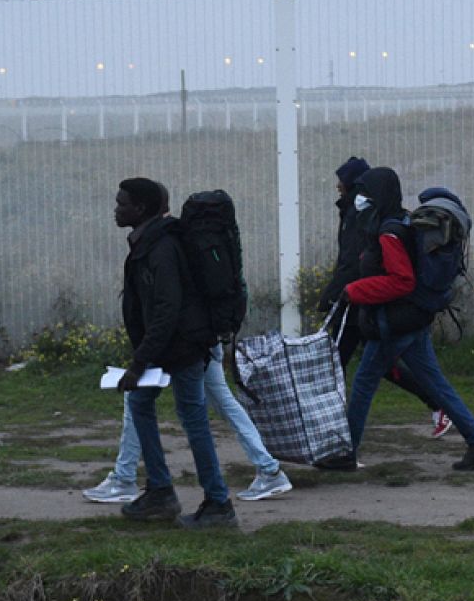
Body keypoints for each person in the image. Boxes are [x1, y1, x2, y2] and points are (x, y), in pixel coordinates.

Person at [340, 167, 474, 471]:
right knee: (435, 383)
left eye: (366, 193)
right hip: (415, 317)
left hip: (395, 322)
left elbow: (402, 281)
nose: (360, 199)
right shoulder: (403, 220)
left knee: (363, 383)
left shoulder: (389, 232)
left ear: (378, 195)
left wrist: (355, 290)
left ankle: (346, 452)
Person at [111, 177, 238, 528]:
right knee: (143, 404)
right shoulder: (150, 242)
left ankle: (217, 502)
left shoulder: (161, 247)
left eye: (122, 203)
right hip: (172, 345)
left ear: (141, 208)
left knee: (193, 418)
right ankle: (162, 491)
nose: (116, 209)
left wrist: (139, 361)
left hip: (181, 347)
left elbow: (167, 309)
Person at [319, 156, 451, 441]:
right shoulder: (356, 213)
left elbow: (357, 263)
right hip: (360, 299)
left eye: (341, 180)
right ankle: (447, 410)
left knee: (346, 365)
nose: (337, 186)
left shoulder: (368, 218)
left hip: (359, 299)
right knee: (378, 366)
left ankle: (338, 436)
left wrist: (340, 293)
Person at [84, 341, 293, 503]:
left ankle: (124, 478)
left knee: (136, 396)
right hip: (206, 341)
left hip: (178, 342)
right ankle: (269, 469)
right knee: (224, 403)